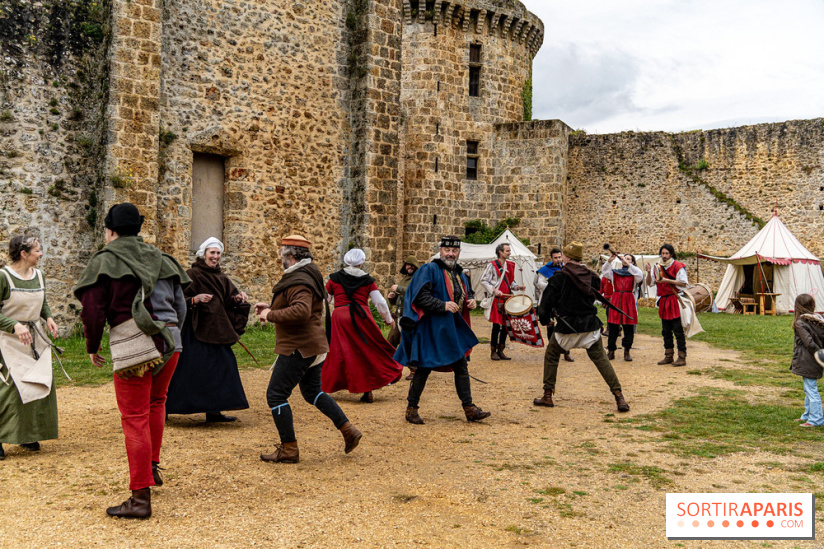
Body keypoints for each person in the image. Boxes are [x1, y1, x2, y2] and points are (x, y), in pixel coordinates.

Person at [75, 203, 189, 519]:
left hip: (135, 345)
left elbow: (92, 311)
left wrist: (92, 345)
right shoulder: (162, 258)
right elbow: (181, 307)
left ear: (110, 230)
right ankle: (150, 467)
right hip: (171, 342)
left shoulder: (105, 260)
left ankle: (140, 498)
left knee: (134, 416)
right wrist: (172, 337)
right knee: (156, 402)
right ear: (137, 228)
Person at [255, 235, 361, 464]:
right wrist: (271, 306)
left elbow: (301, 310)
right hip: (312, 343)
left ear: (291, 255)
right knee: (312, 392)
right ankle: (348, 430)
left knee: (276, 395)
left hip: (299, 346)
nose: (280, 257)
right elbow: (300, 305)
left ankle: (289, 448)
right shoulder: (306, 274)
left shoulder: (299, 280)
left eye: (282, 252)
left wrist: (270, 314)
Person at [394, 235, 491, 425]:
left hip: (450, 329)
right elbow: (420, 297)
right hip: (431, 328)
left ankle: (469, 408)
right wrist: (442, 305)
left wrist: (470, 301)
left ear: (458, 252)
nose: (451, 254)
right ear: (441, 251)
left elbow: (465, 293)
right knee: (424, 368)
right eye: (447, 250)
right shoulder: (430, 269)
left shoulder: (459, 273)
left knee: (461, 365)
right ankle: (411, 408)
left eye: (454, 251)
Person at [533, 242, 629, 413]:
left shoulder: (559, 278)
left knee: (552, 355)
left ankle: (547, 395)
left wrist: (545, 319)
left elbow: (546, 302)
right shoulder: (591, 276)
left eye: (563, 255)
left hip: (567, 327)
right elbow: (597, 289)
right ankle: (619, 396)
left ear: (567, 257)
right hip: (590, 326)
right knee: (602, 360)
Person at [165, 237, 250, 422]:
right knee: (187, 370)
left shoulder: (222, 277)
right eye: (212, 253)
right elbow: (177, 299)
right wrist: (194, 299)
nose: (215, 256)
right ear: (204, 254)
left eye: (218, 253)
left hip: (218, 330)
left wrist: (237, 299)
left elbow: (228, 300)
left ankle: (214, 411)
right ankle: (165, 408)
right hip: (195, 331)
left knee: (221, 369)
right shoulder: (192, 274)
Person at [0, 235, 59, 461]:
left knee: (37, 385)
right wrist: (14, 325)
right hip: (8, 341)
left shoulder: (39, 276)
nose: (41, 254)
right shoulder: (3, 277)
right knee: (11, 389)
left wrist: (48, 317)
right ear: (24, 254)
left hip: (35, 339)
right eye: (37, 250)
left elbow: (42, 302)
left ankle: (27, 434)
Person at [322, 248, 403, 403]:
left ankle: (328, 384)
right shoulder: (367, 280)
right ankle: (367, 389)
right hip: (361, 317)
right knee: (366, 350)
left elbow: (325, 299)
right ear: (361, 263)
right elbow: (379, 302)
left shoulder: (334, 278)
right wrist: (388, 319)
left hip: (339, 317)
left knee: (339, 351)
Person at [644, 244, 688, 366]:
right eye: (663, 253)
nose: (664, 256)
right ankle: (668, 355)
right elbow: (650, 283)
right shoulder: (657, 267)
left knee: (678, 330)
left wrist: (667, 280)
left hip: (674, 299)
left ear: (671, 254)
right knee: (666, 331)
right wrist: (648, 272)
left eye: (667, 253)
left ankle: (682, 357)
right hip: (664, 301)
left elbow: (684, 283)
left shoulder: (678, 266)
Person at [480, 242, 522, 361]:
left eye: (509, 251)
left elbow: (510, 282)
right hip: (497, 300)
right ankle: (493, 351)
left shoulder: (510, 265)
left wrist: (518, 287)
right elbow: (483, 280)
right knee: (496, 325)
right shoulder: (492, 265)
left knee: (505, 326)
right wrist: (494, 290)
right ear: (500, 252)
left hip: (507, 299)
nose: (509, 253)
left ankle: (501, 350)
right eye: (507, 251)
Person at [602, 252, 643, 362]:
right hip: (616, 299)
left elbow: (640, 275)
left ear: (633, 262)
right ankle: (611, 351)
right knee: (613, 327)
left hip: (628, 300)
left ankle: (627, 351)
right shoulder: (615, 273)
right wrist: (610, 260)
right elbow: (605, 272)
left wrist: (629, 265)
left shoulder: (635, 274)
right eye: (624, 258)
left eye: (628, 259)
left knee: (628, 328)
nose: (625, 260)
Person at [790, 294, 824, 427]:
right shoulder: (818, 320)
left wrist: (819, 355)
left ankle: (816, 419)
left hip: (809, 359)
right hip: (814, 359)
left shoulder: (801, 323)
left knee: (811, 389)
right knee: (808, 388)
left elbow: (809, 343)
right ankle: (808, 414)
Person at [534, 248, 573, 363]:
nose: (558, 260)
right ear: (551, 258)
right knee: (550, 326)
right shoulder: (544, 270)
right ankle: (553, 352)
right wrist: (553, 286)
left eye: (559, 257)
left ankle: (566, 352)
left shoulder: (565, 269)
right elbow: (540, 284)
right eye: (555, 258)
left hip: (562, 303)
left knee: (565, 327)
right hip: (549, 301)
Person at [387, 256, 419, 364]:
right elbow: (398, 298)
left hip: (410, 316)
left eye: (412, 265)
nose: (409, 267)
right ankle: (388, 364)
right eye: (408, 265)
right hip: (399, 315)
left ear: (415, 266)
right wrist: (392, 297)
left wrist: (399, 288)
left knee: (406, 341)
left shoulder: (418, 279)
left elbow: (414, 293)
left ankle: (413, 368)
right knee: (392, 338)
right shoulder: (404, 279)